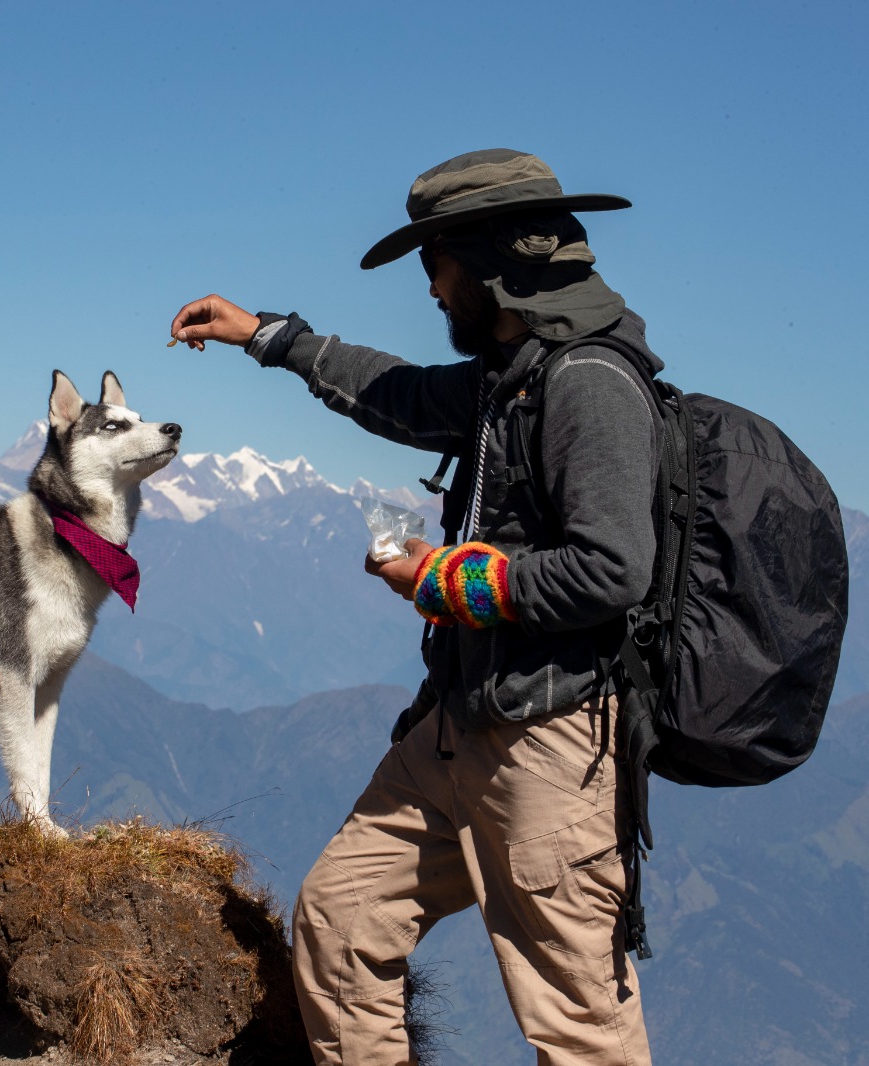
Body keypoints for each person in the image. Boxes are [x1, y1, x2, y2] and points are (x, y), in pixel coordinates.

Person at [170, 148, 658, 1065]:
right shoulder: (503, 377)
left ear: (487, 260)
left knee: (579, 1026)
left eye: (436, 263)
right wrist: (266, 335)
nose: (431, 289)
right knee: (342, 921)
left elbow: (612, 569)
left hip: (554, 749)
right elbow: (393, 394)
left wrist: (442, 580)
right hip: (458, 730)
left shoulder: (589, 382)